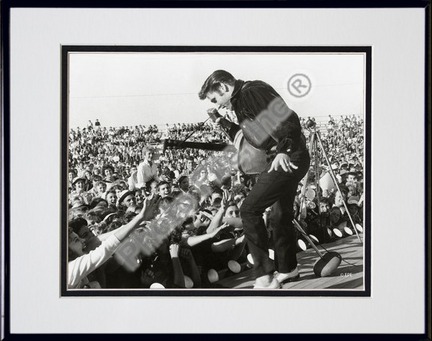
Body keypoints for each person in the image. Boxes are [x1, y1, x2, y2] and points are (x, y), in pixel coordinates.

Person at [199, 70, 310, 288]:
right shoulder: (242, 100)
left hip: (287, 157)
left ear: (223, 87)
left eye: (215, 99)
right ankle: (288, 269)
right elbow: (249, 138)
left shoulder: (251, 92)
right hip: (285, 156)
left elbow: (287, 117)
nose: (218, 104)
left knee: (249, 210)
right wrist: (221, 121)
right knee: (279, 216)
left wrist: (284, 149)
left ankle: (265, 276)